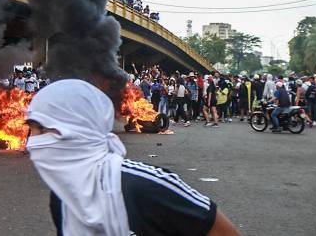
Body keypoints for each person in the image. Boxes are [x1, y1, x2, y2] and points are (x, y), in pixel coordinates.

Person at [26, 80, 240, 236]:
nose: (32, 142)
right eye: (32, 129)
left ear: (78, 128)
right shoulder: (61, 196)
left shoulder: (147, 185)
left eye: (43, 129)